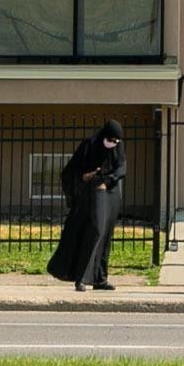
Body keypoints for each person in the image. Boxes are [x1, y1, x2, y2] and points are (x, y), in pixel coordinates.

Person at [46, 120, 125, 291]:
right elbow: (71, 170)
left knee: (105, 234)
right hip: (94, 190)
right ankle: (81, 277)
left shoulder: (118, 146)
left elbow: (121, 168)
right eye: (111, 139)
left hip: (111, 192)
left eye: (116, 141)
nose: (113, 143)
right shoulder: (89, 145)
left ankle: (100, 279)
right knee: (95, 229)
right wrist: (85, 176)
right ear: (104, 135)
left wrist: (109, 180)